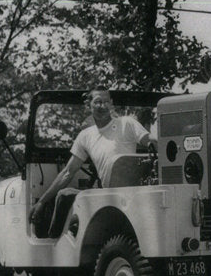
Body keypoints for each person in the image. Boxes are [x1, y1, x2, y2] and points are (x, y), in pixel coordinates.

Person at [30, 88, 156, 237]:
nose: (102, 106)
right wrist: (42, 202)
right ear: (88, 105)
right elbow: (68, 172)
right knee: (64, 195)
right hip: (103, 194)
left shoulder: (127, 123)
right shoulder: (86, 136)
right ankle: (55, 249)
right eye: (97, 102)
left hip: (132, 192)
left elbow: (152, 144)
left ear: (111, 104)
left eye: (106, 102)